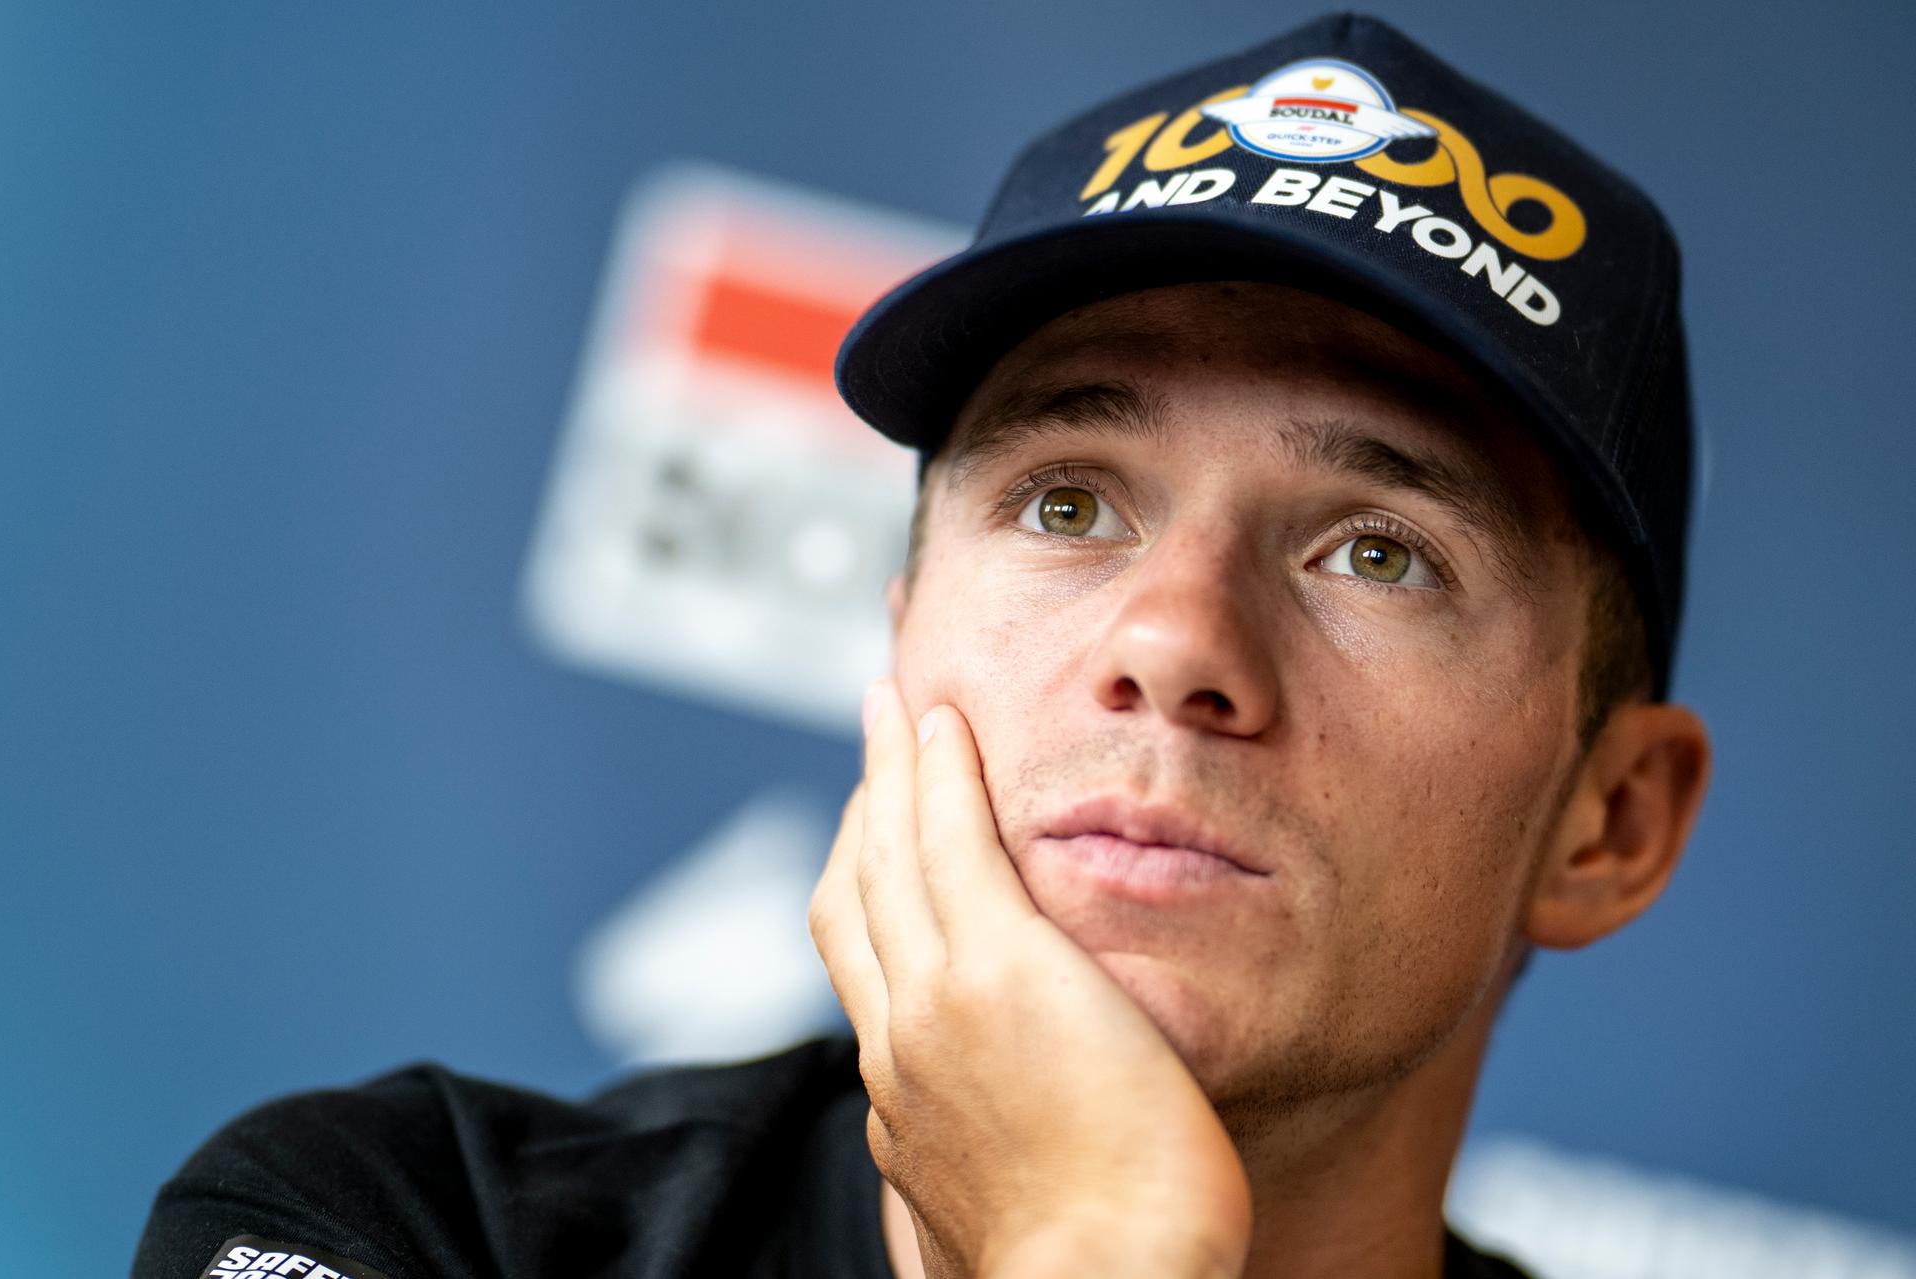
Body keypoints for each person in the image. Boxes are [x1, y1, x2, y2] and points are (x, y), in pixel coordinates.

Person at [134, 14, 1711, 1279]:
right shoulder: (395, 1227)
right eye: (1070, 503)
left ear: (1610, 824)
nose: (1173, 640)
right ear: (900, 645)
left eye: (1381, 552)